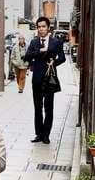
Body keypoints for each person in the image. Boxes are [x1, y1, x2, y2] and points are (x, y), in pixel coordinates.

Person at [24, 16, 65, 144]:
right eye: (39, 27)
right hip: (36, 79)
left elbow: (62, 57)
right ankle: (39, 134)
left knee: (48, 107)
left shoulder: (55, 42)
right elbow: (27, 56)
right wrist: (40, 51)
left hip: (49, 78)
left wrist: (54, 63)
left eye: (43, 27)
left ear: (48, 28)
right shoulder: (34, 42)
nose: (41, 29)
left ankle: (46, 134)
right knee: (37, 107)